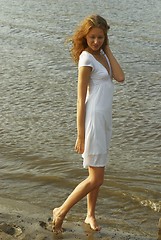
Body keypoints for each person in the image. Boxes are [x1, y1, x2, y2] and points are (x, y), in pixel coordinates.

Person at [53, 14, 124, 233]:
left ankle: (90, 215)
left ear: (105, 37)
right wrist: (81, 134)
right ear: (86, 36)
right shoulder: (86, 58)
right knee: (96, 178)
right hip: (93, 120)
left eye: (100, 37)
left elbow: (120, 77)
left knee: (96, 176)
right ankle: (61, 210)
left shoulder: (102, 54)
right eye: (92, 37)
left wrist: (107, 49)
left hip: (104, 121)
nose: (96, 41)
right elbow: (80, 99)